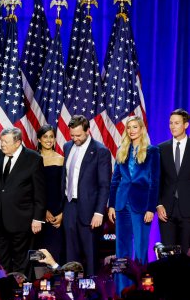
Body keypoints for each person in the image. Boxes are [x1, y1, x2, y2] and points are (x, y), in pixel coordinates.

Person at [0, 127, 46, 274]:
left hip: (22, 220)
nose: (2, 144)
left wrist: (38, 218)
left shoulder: (33, 159)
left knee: (22, 259)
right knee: (1, 259)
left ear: (18, 142)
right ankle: (2, 289)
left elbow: (40, 191)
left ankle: (19, 291)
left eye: (6, 142)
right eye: (1, 141)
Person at [109, 116, 160, 290]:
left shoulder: (152, 151)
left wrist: (151, 208)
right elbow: (115, 180)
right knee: (121, 249)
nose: (131, 130)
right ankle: (122, 289)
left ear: (141, 129)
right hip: (122, 204)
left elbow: (155, 182)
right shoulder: (122, 150)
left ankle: (140, 289)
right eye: (129, 127)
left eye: (135, 127)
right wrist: (111, 205)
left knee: (139, 248)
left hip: (141, 205)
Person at [59, 116, 111, 276]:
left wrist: (99, 212)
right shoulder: (67, 146)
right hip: (69, 206)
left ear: (87, 131)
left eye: (78, 135)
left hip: (90, 210)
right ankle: (69, 290)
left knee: (90, 253)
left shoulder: (101, 151)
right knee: (70, 252)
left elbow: (104, 185)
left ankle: (91, 290)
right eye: (72, 135)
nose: (74, 139)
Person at [157, 108, 190, 252]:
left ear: (186, 125)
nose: (172, 126)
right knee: (168, 255)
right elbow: (157, 180)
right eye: (171, 123)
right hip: (166, 211)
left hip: (188, 210)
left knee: (185, 255)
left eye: (176, 123)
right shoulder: (161, 149)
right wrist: (158, 205)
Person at [35, 125, 65, 262]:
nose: (49, 140)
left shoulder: (61, 159)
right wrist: (42, 211)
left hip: (57, 214)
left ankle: (58, 282)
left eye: (51, 136)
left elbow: (66, 188)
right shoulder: (32, 160)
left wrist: (62, 213)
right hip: (38, 214)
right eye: (45, 136)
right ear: (39, 139)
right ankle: (39, 283)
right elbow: (31, 189)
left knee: (56, 251)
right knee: (39, 255)